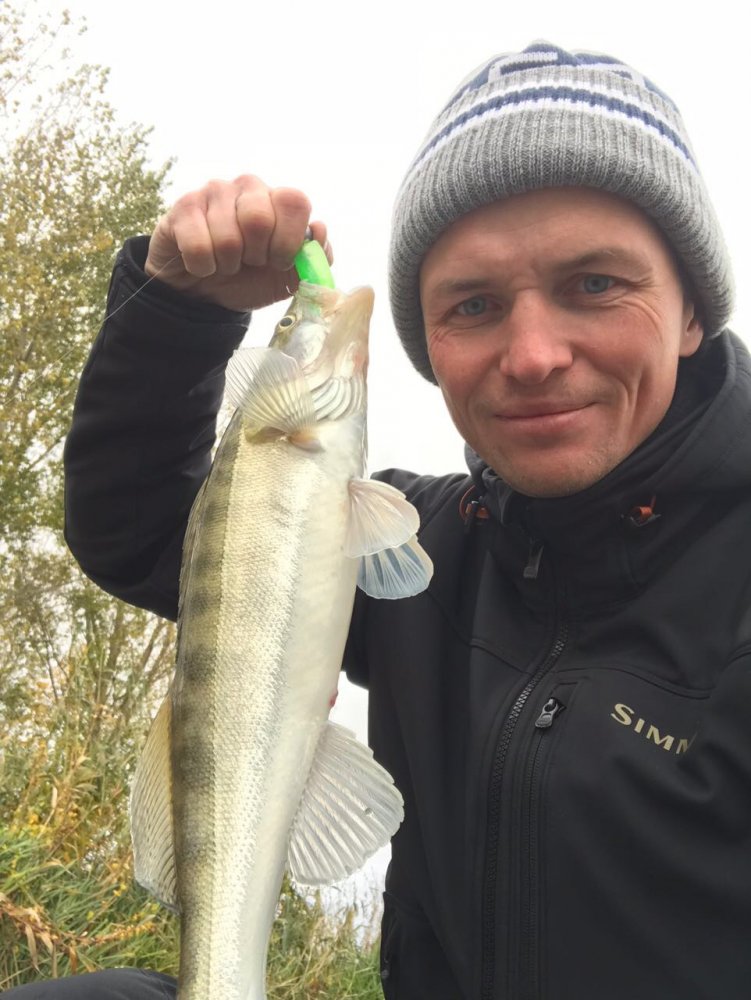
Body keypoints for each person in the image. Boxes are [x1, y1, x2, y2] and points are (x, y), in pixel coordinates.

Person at [10, 41, 751, 1000]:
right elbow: (145, 533)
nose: (532, 354)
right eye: (474, 304)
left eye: (595, 285)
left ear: (691, 312)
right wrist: (178, 317)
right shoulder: (424, 546)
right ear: (430, 346)